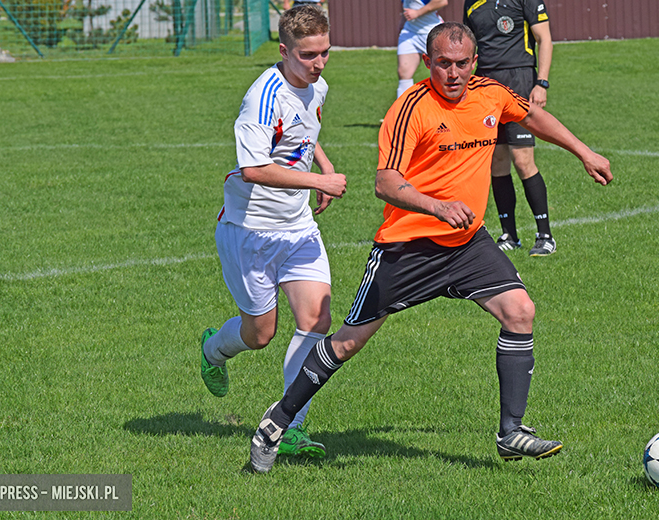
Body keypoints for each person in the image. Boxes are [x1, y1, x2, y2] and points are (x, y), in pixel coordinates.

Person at [249, 22, 613, 473]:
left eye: (462, 63)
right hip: (407, 248)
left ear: (474, 63)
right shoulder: (410, 109)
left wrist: (584, 151)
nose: (454, 73)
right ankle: (277, 421)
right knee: (346, 343)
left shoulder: (491, 94)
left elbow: (532, 117)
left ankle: (511, 432)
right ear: (428, 62)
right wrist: (437, 207)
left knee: (520, 311)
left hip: (466, 245)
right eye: (443, 63)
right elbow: (385, 183)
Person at [200, 5, 346, 461]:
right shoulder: (262, 97)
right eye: (308, 55)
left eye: (325, 52)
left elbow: (305, 130)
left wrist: (323, 164)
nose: (319, 63)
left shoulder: (317, 84)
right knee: (260, 333)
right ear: (284, 51)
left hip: (298, 227)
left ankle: (289, 425)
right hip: (250, 229)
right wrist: (319, 182)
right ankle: (212, 350)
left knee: (316, 321)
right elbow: (254, 168)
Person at [463, 0, 556, 256]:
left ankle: (545, 235)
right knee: (496, 161)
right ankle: (509, 234)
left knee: (523, 160)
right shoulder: (471, 3)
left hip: (519, 79)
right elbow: (466, 45)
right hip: (484, 83)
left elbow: (544, 38)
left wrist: (542, 82)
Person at [397, 0, 448, 98]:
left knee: (443, 72)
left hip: (431, 31)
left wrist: (417, 13)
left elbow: (442, 2)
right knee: (404, 73)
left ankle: (447, 105)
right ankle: (403, 109)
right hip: (410, 31)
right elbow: (407, 7)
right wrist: (402, 22)